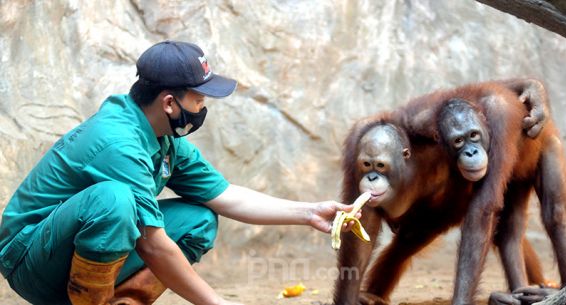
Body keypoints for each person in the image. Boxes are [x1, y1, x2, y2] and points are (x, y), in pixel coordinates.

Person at [0, 41, 360, 305]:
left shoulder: (163, 137)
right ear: (169, 102)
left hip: (66, 254)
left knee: (199, 218)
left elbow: (226, 196)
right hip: (30, 262)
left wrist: (309, 212)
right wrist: (216, 304)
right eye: (199, 99)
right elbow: (153, 245)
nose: (203, 107)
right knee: (114, 201)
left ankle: (124, 301)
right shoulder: (118, 142)